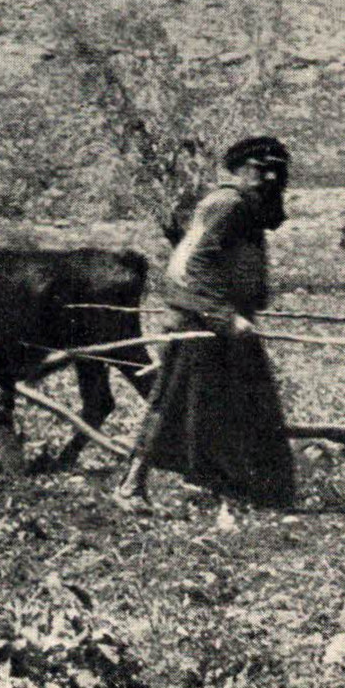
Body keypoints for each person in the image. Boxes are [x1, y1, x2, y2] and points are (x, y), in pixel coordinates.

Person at [113, 136, 296, 511]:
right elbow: (191, 265)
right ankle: (131, 486)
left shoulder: (244, 208)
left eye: (277, 172)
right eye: (261, 171)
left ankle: (229, 487)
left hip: (218, 318)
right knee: (172, 403)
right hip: (198, 320)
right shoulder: (227, 204)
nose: (269, 179)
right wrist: (226, 318)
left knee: (233, 403)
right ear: (240, 170)